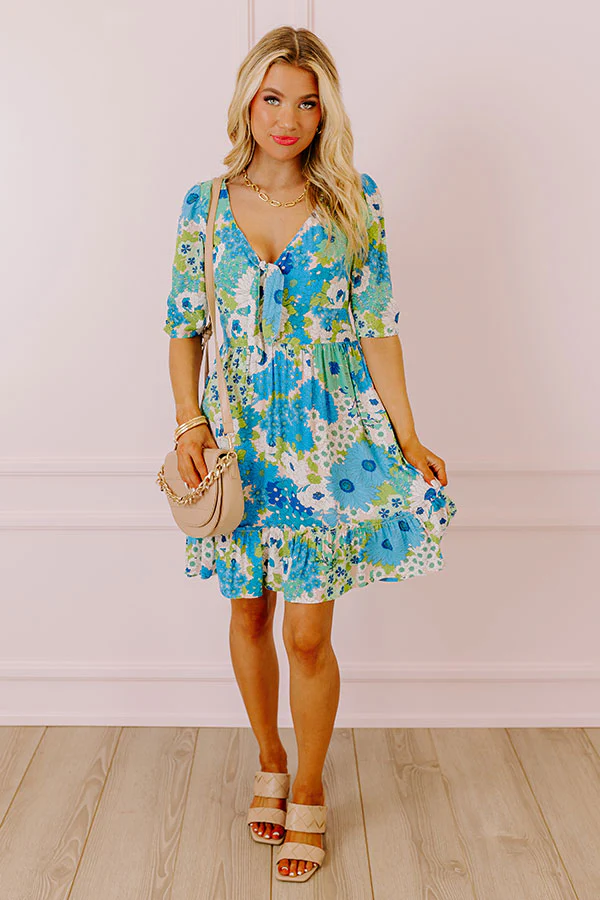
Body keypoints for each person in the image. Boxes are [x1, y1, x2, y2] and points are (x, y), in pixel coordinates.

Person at [163, 25, 458, 883]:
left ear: (325, 112)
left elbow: (378, 328)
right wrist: (188, 423)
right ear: (247, 102)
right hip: (238, 440)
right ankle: (269, 759)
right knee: (248, 613)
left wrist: (408, 435)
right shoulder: (204, 207)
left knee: (306, 631)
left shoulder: (354, 201)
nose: (287, 118)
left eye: (306, 102)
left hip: (330, 444)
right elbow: (184, 326)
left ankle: (311, 786)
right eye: (272, 98)